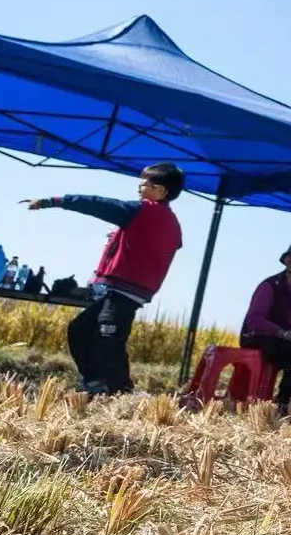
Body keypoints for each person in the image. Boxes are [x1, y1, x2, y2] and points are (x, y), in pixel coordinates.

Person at [23, 164, 186, 395]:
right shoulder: (169, 222)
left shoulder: (142, 211)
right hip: (127, 290)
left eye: (144, 182)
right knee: (80, 330)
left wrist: (54, 201)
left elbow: (96, 204)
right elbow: (171, 244)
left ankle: (118, 389)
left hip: (124, 290)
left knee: (108, 337)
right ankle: (96, 382)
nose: (139, 186)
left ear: (160, 191)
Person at [240, 239, 291, 407]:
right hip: (261, 337)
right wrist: (283, 333)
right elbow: (254, 320)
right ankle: (281, 402)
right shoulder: (270, 285)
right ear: (285, 259)